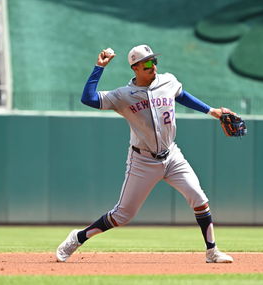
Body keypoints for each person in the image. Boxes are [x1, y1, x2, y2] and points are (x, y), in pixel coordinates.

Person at [56, 44, 235, 263]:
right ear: (135, 67)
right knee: (122, 215)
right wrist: (98, 67)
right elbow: (89, 99)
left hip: (172, 156)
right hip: (142, 161)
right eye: (148, 63)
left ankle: (212, 252)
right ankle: (78, 237)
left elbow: (182, 95)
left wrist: (212, 111)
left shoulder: (168, 81)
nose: (153, 67)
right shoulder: (122, 95)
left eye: (154, 61)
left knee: (199, 198)